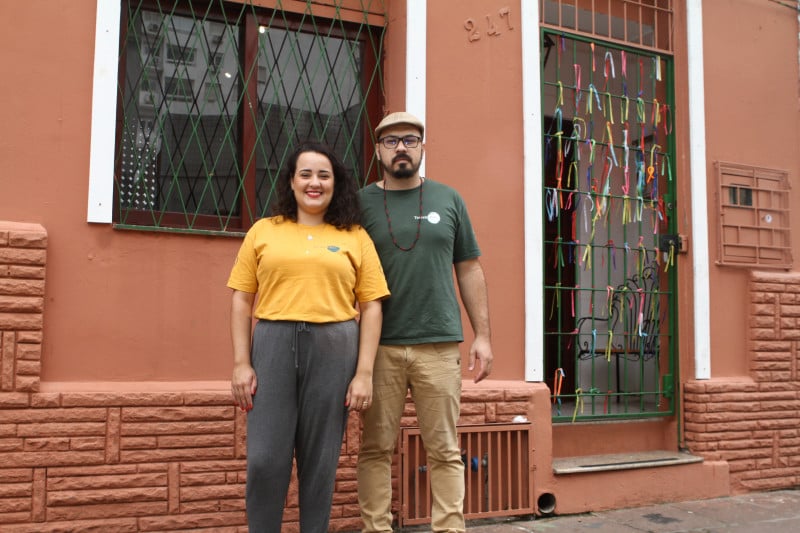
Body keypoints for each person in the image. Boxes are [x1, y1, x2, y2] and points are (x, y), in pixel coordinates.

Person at [228, 142, 390, 532]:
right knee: (265, 459)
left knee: (320, 461)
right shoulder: (263, 231)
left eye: (324, 175)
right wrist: (240, 363)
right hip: (272, 344)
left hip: (335, 347)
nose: (314, 183)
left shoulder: (354, 237)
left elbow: (371, 306)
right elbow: (240, 300)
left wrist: (364, 373)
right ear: (291, 181)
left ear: (336, 184)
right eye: (306, 174)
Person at [357, 112, 494, 532]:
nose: (402, 147)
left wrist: (483, 336)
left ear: (422, 147)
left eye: (411, 140)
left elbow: (469, 268)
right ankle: (375, 528)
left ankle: (450, 529)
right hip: (378, 346)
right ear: (379, 149)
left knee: (445, 449)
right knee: (376, 447)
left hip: (438, 343)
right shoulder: (360, 203)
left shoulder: (448, 199)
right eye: (392, 140)